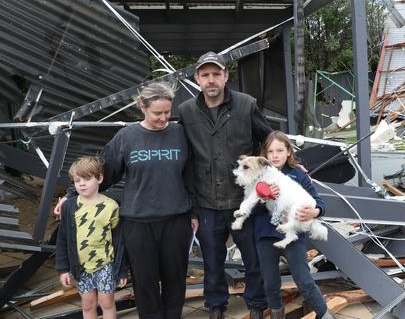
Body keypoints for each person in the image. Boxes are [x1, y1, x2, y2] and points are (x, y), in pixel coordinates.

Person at [55, 82, 194, 319]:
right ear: (142, 107)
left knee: (175, 280)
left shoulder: (180, 134)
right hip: (138, 223)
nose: (163, 118)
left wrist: (195, 212)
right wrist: (71, 194)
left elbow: (192, 175)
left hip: (176, 220)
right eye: (157, 113)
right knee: (144, 283)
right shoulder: (126, 137)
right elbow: (101, 171)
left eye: (167, 113)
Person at [177, 51, 272, 319]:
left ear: (225, 76)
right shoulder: (185, 111)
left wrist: (290, 163)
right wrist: (189, 205)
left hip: (244, 198)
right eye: (205, 75)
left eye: (216, 74)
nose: (211, 80)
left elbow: (270, 139)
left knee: (253, 257)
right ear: (197, 78)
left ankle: (256, 302)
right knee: (212, 259)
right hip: (206, 200)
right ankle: (216, 304)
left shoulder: (245, 105)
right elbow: (181, 155)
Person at [254, 131, 334, 319]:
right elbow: (252, 210)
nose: (275, 155)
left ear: (288, 152)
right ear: (264, 154)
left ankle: (324, 315)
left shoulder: (298, 174)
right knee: (270, 283)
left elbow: (319, 201)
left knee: (304, 280)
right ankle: (276, 314)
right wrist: (262, 197)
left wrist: (315, 212)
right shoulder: (259, 177)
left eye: (279, 150)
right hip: (266, 237)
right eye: (270, 151)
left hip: (293, 236)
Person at [56, 156, 128, 319]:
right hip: (81, 268)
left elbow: (120, 242)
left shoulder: (112, 206)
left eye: (87, 179)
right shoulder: (69, 207)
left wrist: (122, 271)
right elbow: (62, 239)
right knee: (88, 305)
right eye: (77, 180)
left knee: (107, 303)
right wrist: (63, 269)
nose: (81, 183)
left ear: (99, 178)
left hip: (106, 266)